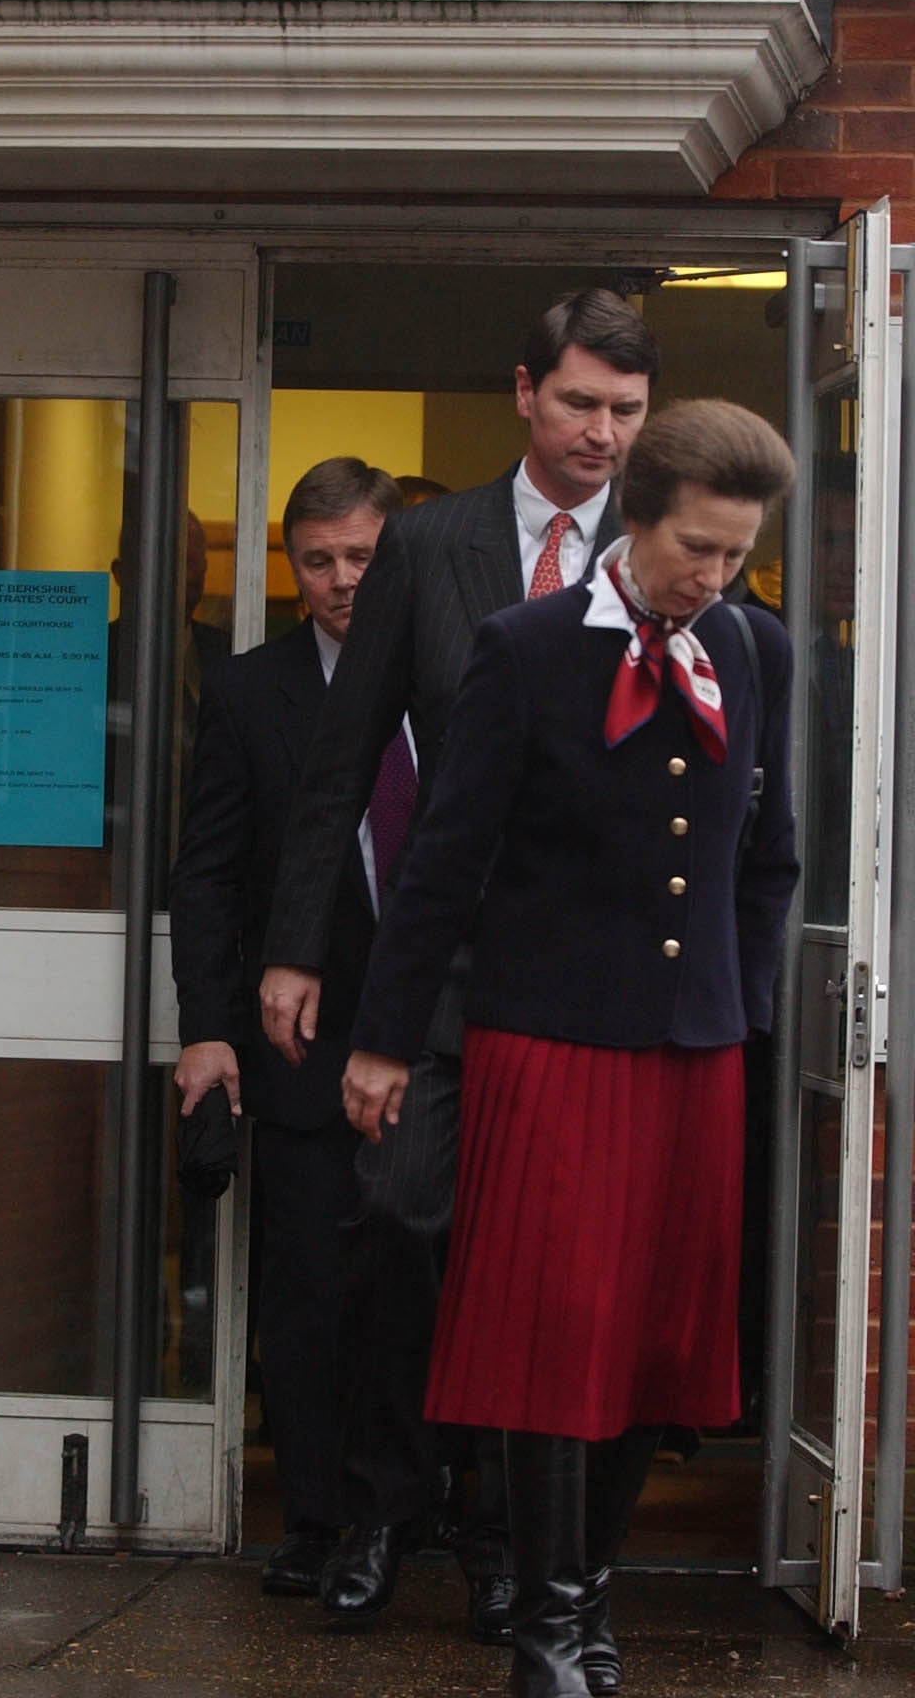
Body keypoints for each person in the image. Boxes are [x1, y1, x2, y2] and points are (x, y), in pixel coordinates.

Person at [342, 400, 799, 1698]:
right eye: (696, 550)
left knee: (657, 1336)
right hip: (547, 1045)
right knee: (556, 1337)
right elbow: (443, 861)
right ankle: (544, 1631)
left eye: (737, 555)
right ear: (636, 518)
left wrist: (741, 1000)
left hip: (695, 1050)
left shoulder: (749, 649)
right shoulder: (527, 647)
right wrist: (384, 1040)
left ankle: (595, 1605)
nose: (714, 579)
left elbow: (772, 859)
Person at [260, 289, 659, 1631]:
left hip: (585, 982)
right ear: (524, 394)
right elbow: (339, 762)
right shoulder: (429, 548)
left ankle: (501, 1533)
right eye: (581, 404)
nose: (603, 434)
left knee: (537, 1259)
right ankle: (384, 1499)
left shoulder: (660, 550)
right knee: (402, 1221)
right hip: (427, 975)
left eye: (627, 411)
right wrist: (296, 950)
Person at [170, 457, 404, 1596]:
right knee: (308, 1292)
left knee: (418, 1287)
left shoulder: (455, 675)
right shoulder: (251, 691)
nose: (341, 579)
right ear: (289, 563)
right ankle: (315, 1521)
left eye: (360, 555)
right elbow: (208, 874)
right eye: (317, 559)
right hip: (301, 1044)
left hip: (426, 1041)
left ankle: (420, 1515)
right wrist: (209, 1031)